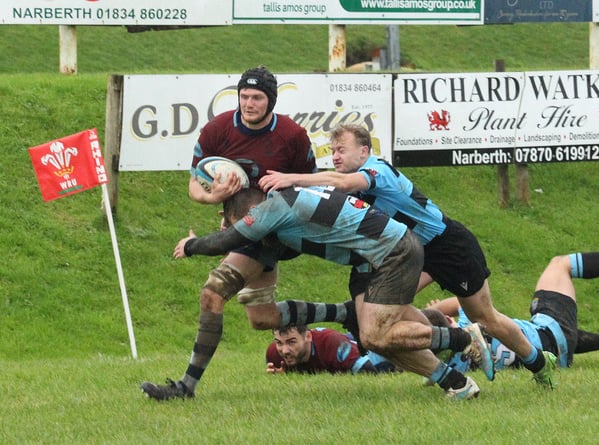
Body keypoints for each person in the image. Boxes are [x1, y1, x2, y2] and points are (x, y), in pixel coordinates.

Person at [258, 123, 557, 388]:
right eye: (332, 151)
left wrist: (291, 178)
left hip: (447, 246)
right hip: (408, 253)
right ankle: (446, 350)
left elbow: (342, 183)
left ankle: (539, 363)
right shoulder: (351, 186)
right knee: (387, 311)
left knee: (485, 316)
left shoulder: (378, 170)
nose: (335, 156)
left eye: (341, 150)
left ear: (364, 151)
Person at [167, 185, 495, 400]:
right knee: (376, 336)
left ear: (251, 213)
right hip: (369, 260)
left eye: (239, 224)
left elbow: (229, 240)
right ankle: (456, 383)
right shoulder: (288, 208)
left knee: (376, 336)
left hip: (393, 252)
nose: (242, 234)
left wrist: (192, 245)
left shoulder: (273, 207)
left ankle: (462, 339)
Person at [141, 65, 317, 401]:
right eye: (244, 96)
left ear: (271, 101)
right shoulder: (218, 129)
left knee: (213, 293)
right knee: (262, 318)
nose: (249, 103)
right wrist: (214, 197)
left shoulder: (292, 136)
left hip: (274, 233)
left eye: (257, 97)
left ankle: (185, 387)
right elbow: (195, 184)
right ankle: (344, 312)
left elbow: (312, 186)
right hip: (240, 230)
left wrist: (281, 192)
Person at [428, 244, 599, 373]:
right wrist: (434, 309)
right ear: (448, 320)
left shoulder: (445, 367)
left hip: (554, 357)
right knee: (560, 265)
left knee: (547, 330)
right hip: (551, 335)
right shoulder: (468, 323)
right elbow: (461, 301)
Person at [266, 325, 396, 374]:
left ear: (308, 336)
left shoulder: (330, 343)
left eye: (291, 342)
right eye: (279, 343)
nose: (285, 350)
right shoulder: (274, 354)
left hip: (380, 350)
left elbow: (369, 373)